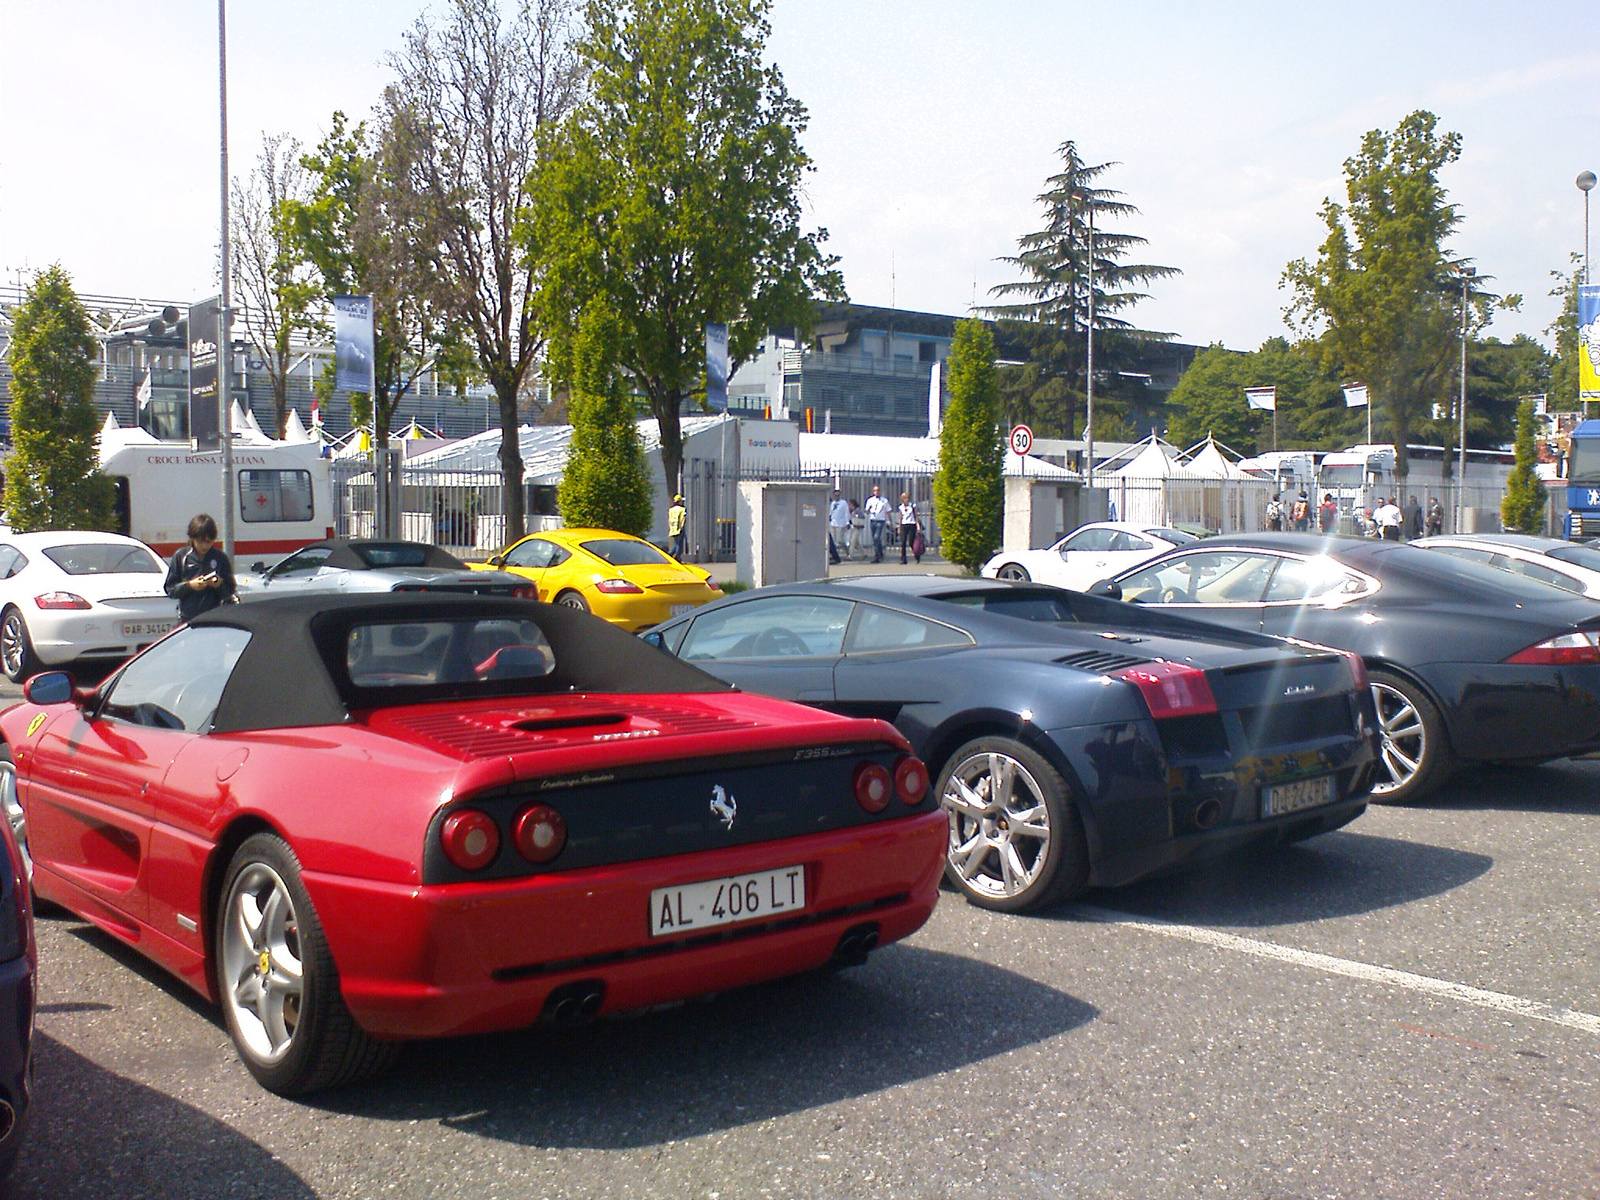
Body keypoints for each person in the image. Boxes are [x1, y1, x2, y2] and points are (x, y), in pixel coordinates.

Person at [164, 513, 236, 622]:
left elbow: (230, 592)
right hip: (188, 619)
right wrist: (190, 585)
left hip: (214, 618)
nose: (204, 546)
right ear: (192, 538)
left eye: (209, 542)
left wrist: (219, 585)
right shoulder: (181, 556)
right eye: (200, 541)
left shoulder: (220, 557)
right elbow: (170, 590)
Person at [864, 485, 891, 563]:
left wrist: (890, 521)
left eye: (878, 490)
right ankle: (879, 554)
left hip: (880, 520)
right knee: (875, 539)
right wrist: (867, 510)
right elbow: (866, 510)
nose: (876, 492)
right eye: (875, 490)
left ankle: (877, 555)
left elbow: (888, 511)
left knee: (877, 537)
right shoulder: (870, 500)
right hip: (873, 519)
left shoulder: (884, 500)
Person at [827, 488, 851, 564]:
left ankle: (847, 551)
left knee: (839, 541)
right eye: (835, 495)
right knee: (833, 541)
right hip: (833, 523)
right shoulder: (833, 503)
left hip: (840, 523)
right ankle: (834, 555)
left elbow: (846, 513)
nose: (836, 496)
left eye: (838, 495)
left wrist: (847, 522)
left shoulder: (843, 503)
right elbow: (830, 512)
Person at [897, 492, 921, 565]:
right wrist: (899, 527)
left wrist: (918, 525)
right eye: (904, 498)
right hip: (904, 525)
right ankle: (903, 559)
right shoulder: (900, 507)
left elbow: (916, 516)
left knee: (911, 542)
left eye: (907, 498)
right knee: (903, 542)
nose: (906, 500)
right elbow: (900, 518)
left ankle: (917, 555)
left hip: (911, 524)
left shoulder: (912, 506)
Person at [667, 494, 688, 560]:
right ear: (679, 501)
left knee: (676, 543)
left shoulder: (671, 509)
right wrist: (681, 527)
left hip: (673, 528)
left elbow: (669, 519)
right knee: (679, 544)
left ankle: (670, 554)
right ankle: (675, 556)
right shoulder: (682, 509)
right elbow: (682, 519)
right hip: (679, 529)